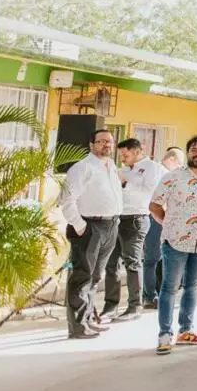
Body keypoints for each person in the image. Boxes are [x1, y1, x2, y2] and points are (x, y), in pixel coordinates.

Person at [150, 135, 197, 354]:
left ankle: (186, 331)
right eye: (194, 149)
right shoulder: (173, 177)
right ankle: (165, 333)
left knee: (192, 287)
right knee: (169, 287)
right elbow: (154, 205)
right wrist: (169, 223)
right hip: (175, 241)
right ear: (188, 153)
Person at [58, 129, 123, 339]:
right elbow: (66, 200)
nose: (106, 145)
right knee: (82, 277)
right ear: (91, 145)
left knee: (95, 277)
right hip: (89, 227)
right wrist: (79, 225)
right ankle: (77, 327)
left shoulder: (111, 166)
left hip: (110, 225)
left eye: (110, 142)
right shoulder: (82, 168)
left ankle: (86, 320)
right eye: (102, 141)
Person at [104, 137, 163, 322]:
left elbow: (149, 191)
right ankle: (110, 305)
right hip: (115, 217)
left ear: (137, 151)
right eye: (121, 155)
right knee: (111, 263)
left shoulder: (151, 168)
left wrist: (126, 180)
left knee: (132, 262)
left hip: (136, 218)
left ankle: (134, 305)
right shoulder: (123, 170)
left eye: (126, 154)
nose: (123, 158)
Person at [143, 147, 185, 308]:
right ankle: (149, 296)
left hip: (166, 220)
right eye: (179, 164)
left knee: (161, 259)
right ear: (172, 161)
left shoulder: (168, 174)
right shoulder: (160, 174)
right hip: (155, 219)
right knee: (151, 259)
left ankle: (158, 294)